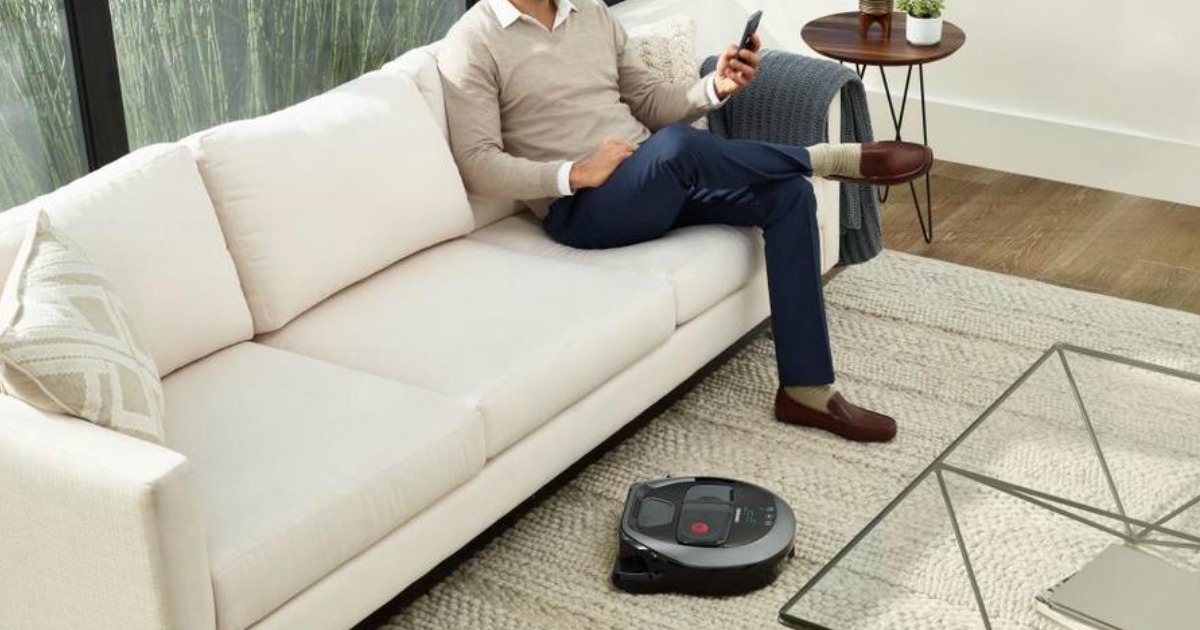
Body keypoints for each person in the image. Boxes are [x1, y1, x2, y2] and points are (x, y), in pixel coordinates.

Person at [438, 0, 932, 443]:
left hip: (651, 180)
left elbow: (652, 103)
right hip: (585, 210)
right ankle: (827, 158)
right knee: (676, 148)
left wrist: (715, 86)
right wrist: (576, 173)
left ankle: (805, 390)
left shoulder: (591, 13)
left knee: (788, 195)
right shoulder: (475, 39)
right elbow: (477, 164)